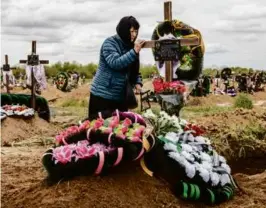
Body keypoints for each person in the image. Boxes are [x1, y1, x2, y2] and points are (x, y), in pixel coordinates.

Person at [88, 16, 145, 120]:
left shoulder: (131, 46)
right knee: (99, 127)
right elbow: (115, 63)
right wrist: (134, 51)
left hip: (120, 96)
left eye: (136, 31)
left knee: (120, 129)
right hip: (102, 95)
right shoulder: (109, 43)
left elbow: (134, 69)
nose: (134, 35)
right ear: (123, 30)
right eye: (131, 31)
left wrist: (138, 82)